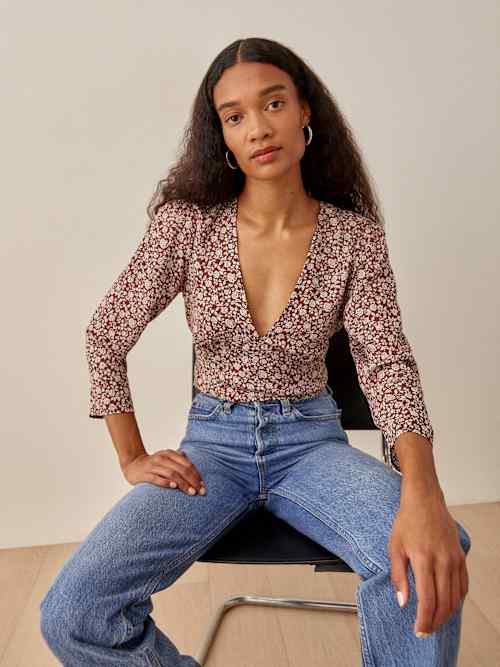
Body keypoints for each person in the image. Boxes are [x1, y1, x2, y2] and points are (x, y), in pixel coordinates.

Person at [39, 37, 471, 666]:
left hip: (312, 446)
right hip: (211, 452)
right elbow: (107, 332)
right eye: (234, 116)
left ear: (305, 112)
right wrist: (132, 456)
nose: (258, 128)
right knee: (74, 612)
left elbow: (386, 364)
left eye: (273, 104)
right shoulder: (187, 224)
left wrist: (423, 489)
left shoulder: (354, 237)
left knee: (430, 557)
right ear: (221, 135)